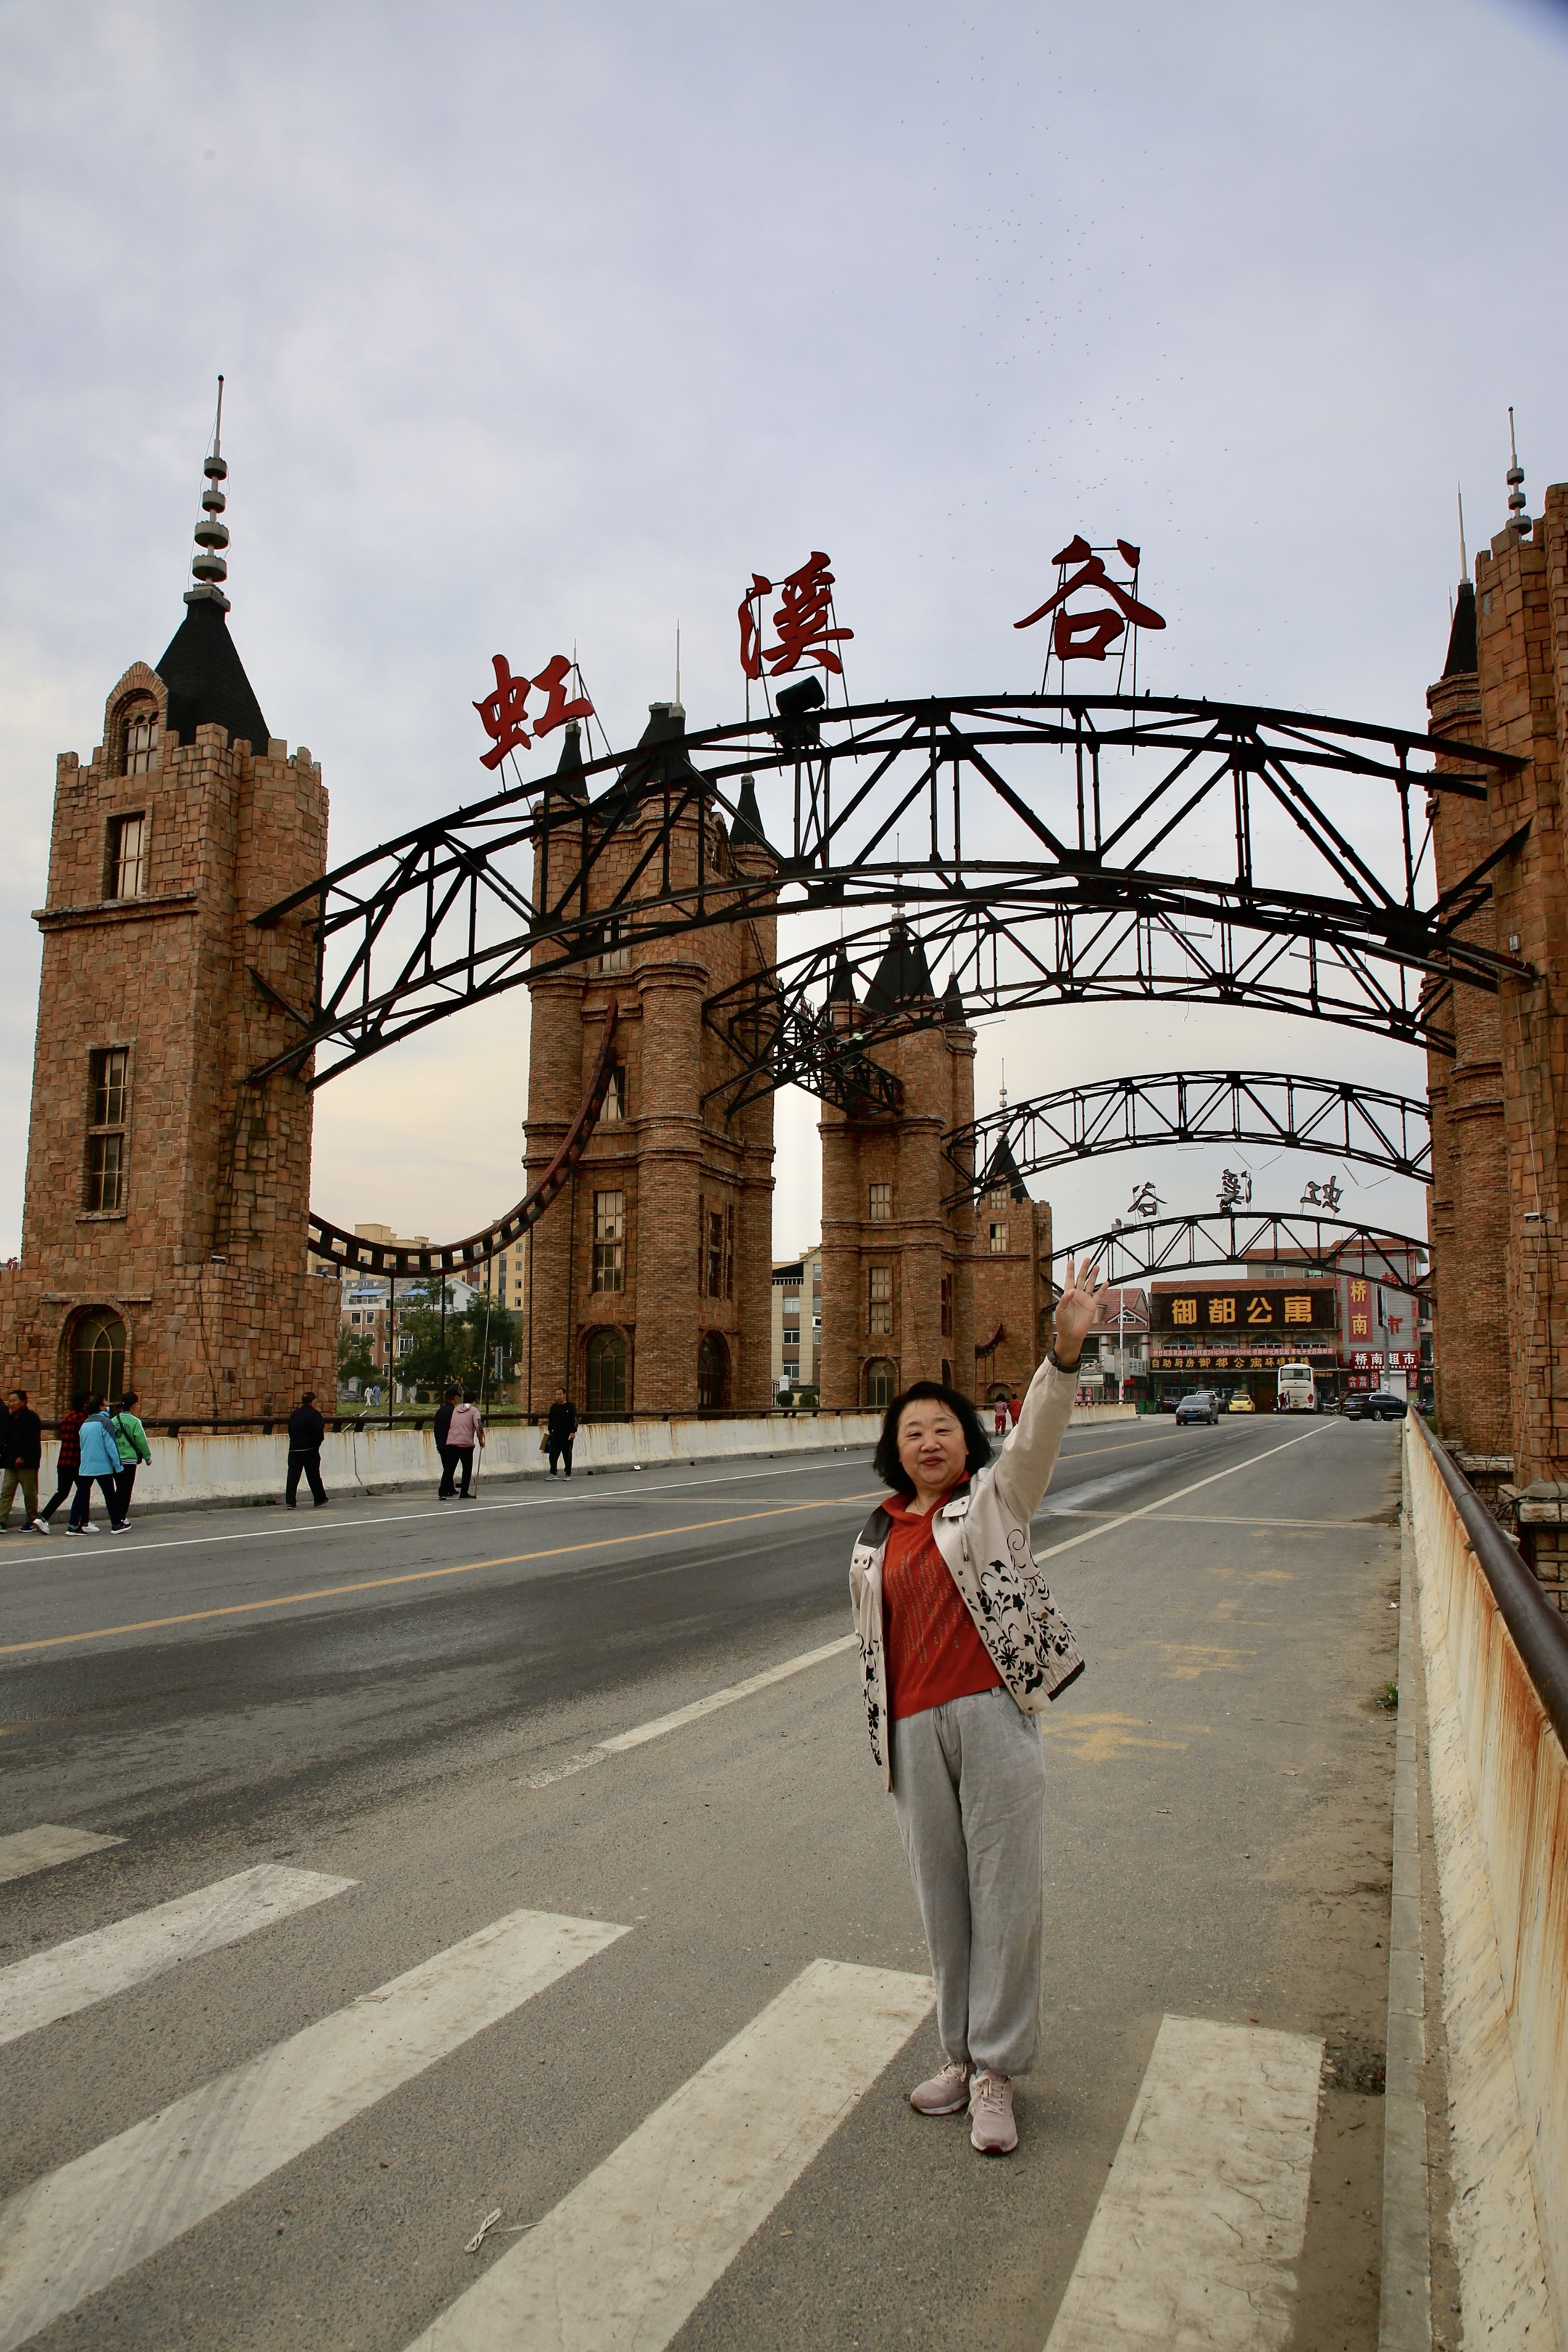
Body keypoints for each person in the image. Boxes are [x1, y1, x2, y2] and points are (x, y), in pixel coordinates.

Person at [848, 1254, 1103, 2158]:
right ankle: (957, 2055)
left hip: (992, 1716)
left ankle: (995, 2072)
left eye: (944, 1430)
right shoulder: (876, 1535)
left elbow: (1035, 1437)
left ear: (967, 1444)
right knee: (943, 1900)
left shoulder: (993, 1505)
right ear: (896, 1448)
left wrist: (1064, 1352)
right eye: (913, 1431)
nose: (928, 1443)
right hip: (913, 1734)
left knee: (1006, 1895)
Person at [69, 1395, 128, 1532]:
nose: (108, 1404)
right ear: (101, 1407)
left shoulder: (85, 1423)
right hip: (102, 1467)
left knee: (80, 1496)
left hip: (86, 1466)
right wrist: (118, 1466)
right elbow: (111, 1446)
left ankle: (73, 1525)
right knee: (110, 1495)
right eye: (105, 1402)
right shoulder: (106, 1422)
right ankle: (116, 1523)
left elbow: (82, 1445)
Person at [1, 1389, 46, 1532]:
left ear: (23, 1401)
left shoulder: (31, 1418)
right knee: (6, 1492)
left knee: (29, 1493)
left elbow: (32, 1441)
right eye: (10, 1401)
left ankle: (31, 1520)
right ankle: (2, 1520)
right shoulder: (10, 1418)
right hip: (11, 1463)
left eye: (14, 1401)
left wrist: (23, 1457)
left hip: (27, 1464)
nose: (11, 1404)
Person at [38, 1393, 86, 1526]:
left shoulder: (68, 1417)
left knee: (62, 1492)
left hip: (63, 1461)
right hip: (76, 1461)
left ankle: (43, 1517)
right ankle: (84, 1522)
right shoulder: (82, 1419)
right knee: (83, 1490)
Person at [108, 1389, 152, 1525]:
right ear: (133, 1405)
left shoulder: (113, 1421)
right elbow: (141, 1440)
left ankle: (116, 1515)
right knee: (126, 1490)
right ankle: (120, 1517)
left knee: (119, 1487)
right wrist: (147, 1456)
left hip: (115, 1460)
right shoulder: (135, 1422)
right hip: (129, 1461)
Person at [285, 1391, 327, 1508]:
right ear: (312, 1401)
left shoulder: (294, 1414)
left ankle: (290, 1501)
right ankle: (319, 1498)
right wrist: (316, 1445)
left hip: (294, 1449)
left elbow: (290, 1430)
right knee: (313, 1475)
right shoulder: (315, 1415)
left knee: (293, 1476)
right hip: (310, 1449)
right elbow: (319, 1431)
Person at [445, 1392, 483, 1497]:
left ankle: (443, 1491)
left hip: (452, 1441)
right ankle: (464, 1492)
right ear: (474, 1401)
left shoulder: (456, 1409)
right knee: (467, 1469)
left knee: (449, 1468)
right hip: (466, 1443)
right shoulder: (474, 1411)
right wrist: (481, 1438)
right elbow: (479, 1426)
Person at [546, 1387, 579, 1478]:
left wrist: (573, 1432)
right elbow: (551, 1420)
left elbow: (574, 1420)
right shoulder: (554, 1407)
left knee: (567, 1456)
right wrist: (550, 1431)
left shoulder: (570, 1407)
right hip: (555, 1435)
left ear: (564, 1395)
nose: (558, 1396)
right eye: (557, 1394)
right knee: (553, 1455)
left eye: (560, 1394)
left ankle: (568, 1473)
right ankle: (553, 1473)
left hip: (567, 1436)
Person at [434, 1385, 460, 1498]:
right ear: (454, 1398)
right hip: (451, 1443)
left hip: (441, 1443)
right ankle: (443, 1491)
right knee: (449, 1469)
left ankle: (451, 1488)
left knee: (447, 1467)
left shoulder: (440, 1412)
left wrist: (438, 1444)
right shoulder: (454, 1412)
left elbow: (436, 1429)